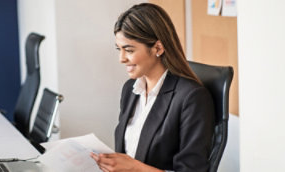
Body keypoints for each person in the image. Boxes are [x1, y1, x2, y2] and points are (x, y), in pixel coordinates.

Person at [90, 3, 214, 172]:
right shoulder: (130, 90)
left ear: (158, 48)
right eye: (119, 49)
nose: (121, 58)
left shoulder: (192, 98)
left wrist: (135, 168)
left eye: (129, 50)